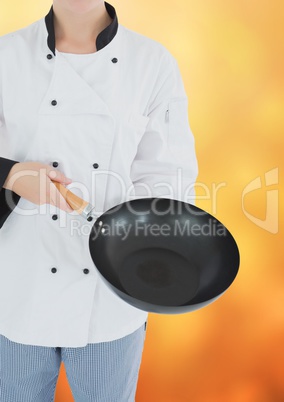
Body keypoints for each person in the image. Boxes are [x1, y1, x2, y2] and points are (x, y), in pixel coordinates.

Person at [0, 0, 198, 401]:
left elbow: (168, 178)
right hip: (20, 285)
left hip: (112, 292)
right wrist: (11, 175)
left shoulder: (151, 63)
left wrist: (141, 246)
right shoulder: (6, 56)